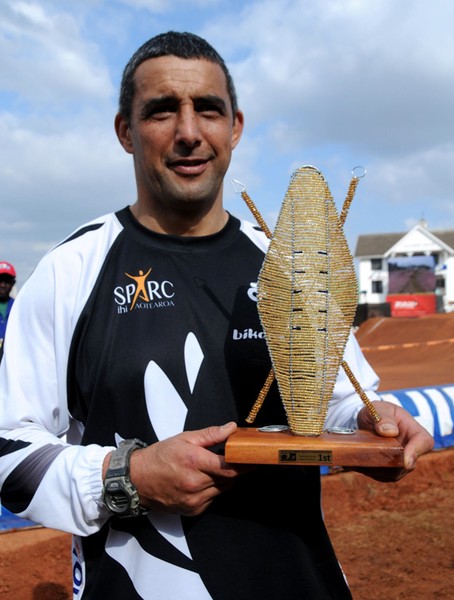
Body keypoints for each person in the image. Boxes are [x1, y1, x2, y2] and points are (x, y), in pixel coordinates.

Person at [0, 32, 433, 599]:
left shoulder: (288, 262)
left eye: (208, 108)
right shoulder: (70, 270)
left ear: (235, 126)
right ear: (125, 132)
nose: (188, 132)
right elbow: (9, 451)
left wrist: (374, 420)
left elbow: (342, 402)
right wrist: (127, 477)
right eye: (161, 111)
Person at [0, 261, 16, 351]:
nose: (3, 285)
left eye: (7, 281)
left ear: (13, 283)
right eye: (0, 280)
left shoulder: (18, 308)